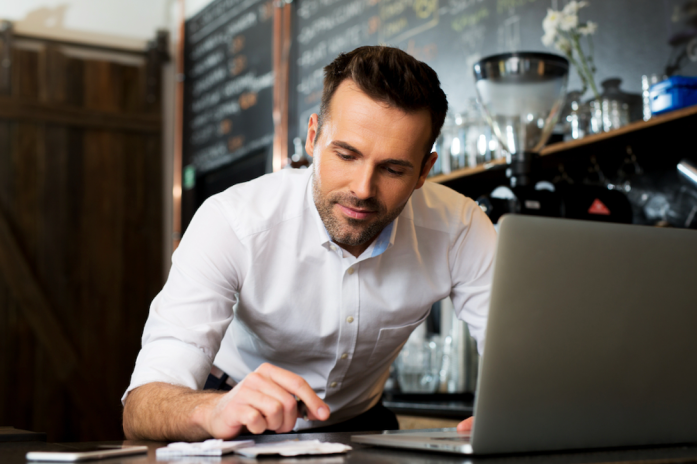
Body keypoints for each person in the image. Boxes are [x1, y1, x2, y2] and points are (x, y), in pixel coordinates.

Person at [122, 46, 495, 441]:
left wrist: (514, 411)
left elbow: (517, 357)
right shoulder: (232, 221)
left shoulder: (460, 228)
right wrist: (212, 410)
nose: (362, 189)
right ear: (314, 137)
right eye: (346, 155)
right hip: (232, 411)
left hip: (360, 421)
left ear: (423, 171)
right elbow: (142, 406)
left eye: (392, 169)